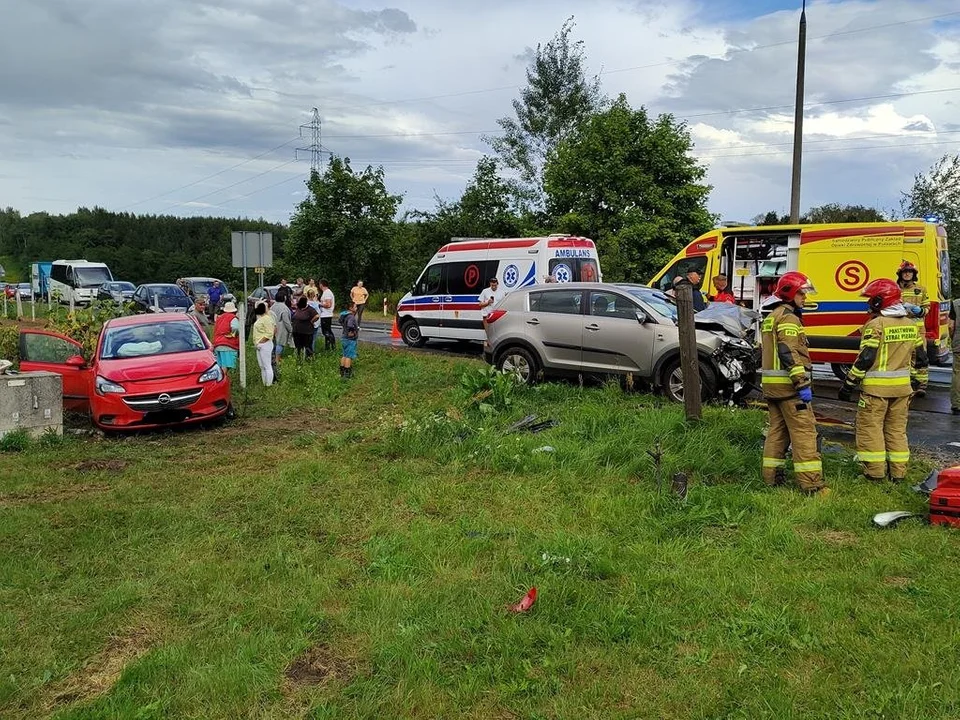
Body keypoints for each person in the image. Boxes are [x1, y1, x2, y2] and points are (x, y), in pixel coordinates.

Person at [838, 279, 928, 482]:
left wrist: (848, 384)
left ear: (880, 301)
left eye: (871, 300)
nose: (869, 304)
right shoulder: (911, 325)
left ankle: (875, 474)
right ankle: (898, 474)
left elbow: (865, 358)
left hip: (875, 392)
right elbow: (921, 359)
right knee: (896, 432)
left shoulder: (876, 325)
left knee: (871, 430)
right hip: (902, 391)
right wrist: (916, 383)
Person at [760, 271, 827, 496]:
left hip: (773, 388)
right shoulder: (788, 318)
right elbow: (787, 350)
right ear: (790, 293)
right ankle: (812, 485)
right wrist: (801, 383)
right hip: (790, 389)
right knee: (804, 433)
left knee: (777, 432)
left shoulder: (772, 316)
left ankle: (771, 479)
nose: (805, 298)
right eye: (801, 293)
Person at [251, 301, 276, 386]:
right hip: (259, 344)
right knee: (262, 366)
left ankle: (268, 384)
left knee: (267, 365)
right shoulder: (261, 318)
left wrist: (262, 341)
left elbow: (270, 333)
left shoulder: (267, 319)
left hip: (265, 344)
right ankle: (264, 383)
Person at [213, 301, 240, 370]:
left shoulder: (219, 318)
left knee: (220, 366)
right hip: (228, 345)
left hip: (217, 344)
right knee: (227, 366)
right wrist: (234, 334)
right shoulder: (232, 317)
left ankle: (219, 380)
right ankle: (224, 380)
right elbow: (236, 327)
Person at [292, 296, 319, 363]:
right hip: (297, 331)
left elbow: (317, 316)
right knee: (298, 346)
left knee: (307, 346)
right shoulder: (299, 308)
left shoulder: (310, 309)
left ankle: (309, 359)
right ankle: (299, 359)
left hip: (307, 331)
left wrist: (312, 321)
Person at [339, 300, 359, 379]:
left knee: (344, 355)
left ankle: (342, 371)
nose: (356, 308)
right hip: (350, 339)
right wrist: (352, 331)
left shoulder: (344, 315)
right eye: (355, 306)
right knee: (349, 356)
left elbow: (340, 322)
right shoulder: (351, 316)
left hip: (344, 337)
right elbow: (350, 325)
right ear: (351, 308)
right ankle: (347, 374)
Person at [269, 295, 293, 362]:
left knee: (273, 343)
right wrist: (290, 329)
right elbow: (286, 320)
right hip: (281, 328)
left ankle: (272, 358)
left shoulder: (272, 307)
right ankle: (277, 359)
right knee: (280, 344)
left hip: (272, 327)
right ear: (284, 298)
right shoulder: (284, 308)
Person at [319, 279, 336, 351]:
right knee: (326, 331)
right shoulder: (325, 292)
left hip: (326, 314)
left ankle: (332, 346)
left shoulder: (327, 293)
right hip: (325, 314)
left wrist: (320, 304)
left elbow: (328, 304)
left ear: (321, 285)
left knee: (327, 331)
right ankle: (328, 347)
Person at [951, 298, 960, 415]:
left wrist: (953, 339)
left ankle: (957, 404)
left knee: (957, 373)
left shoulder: (956, 304)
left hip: (959, 343)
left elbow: (950, 326)